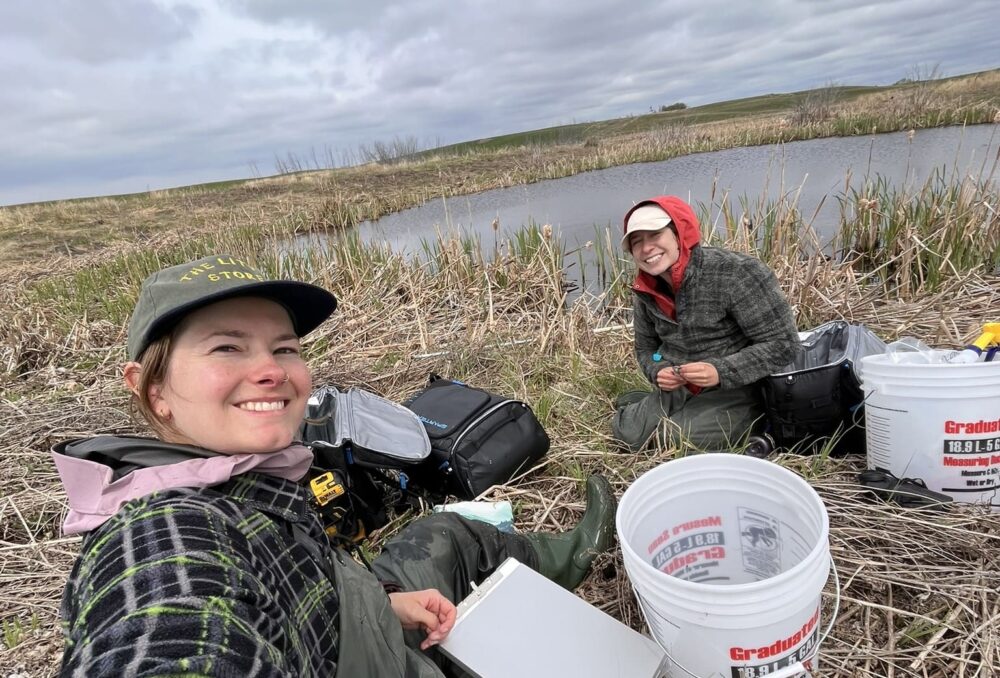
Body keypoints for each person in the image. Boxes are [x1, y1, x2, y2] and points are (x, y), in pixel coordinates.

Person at [53, 254, 616, 677]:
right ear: (153, 390)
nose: (271, 370)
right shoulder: (165, 539)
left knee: (445, 531)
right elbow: (164, 636)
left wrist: (385, 606)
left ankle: (567, 556)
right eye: (227, 348)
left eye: (284, 347)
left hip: (362, 619)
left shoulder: (240, 469)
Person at [612, 196, 800, 451]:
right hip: (681, 386)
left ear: (679, 232)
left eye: (655, 234)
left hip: (741, 389)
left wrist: (720, 371)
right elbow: (647, 351)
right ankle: (645, 405)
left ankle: (750, 423)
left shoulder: (738, 272)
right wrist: (658, 369)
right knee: (627, 435)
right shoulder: (646, 289)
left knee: (673, 440)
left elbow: (784, 345)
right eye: (636, 242)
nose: (646, 248)